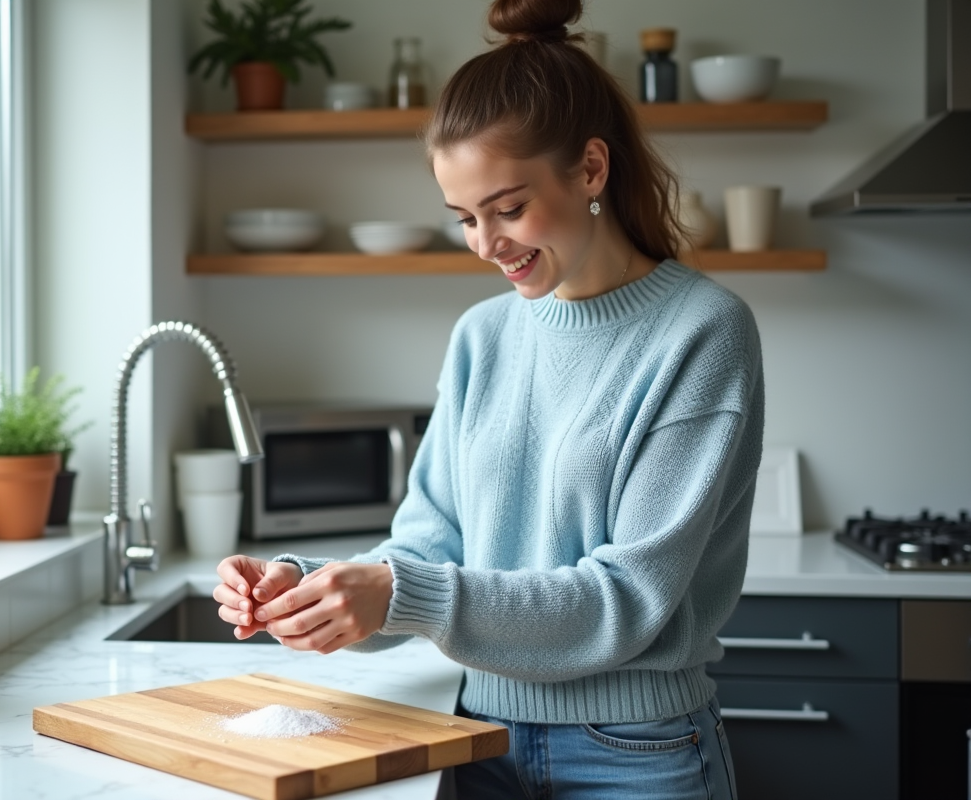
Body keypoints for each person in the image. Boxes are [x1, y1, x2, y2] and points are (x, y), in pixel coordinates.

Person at [214, 0, 762, 796]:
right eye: (465, 218)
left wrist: (400, 593)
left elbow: (625, 601)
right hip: (476, 741)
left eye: (508, 208)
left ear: (592, 169)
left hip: (637, 753)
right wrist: (313, 585)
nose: (486, 243)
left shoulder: (702, 332)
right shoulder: (483, 335)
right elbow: (428, 551)